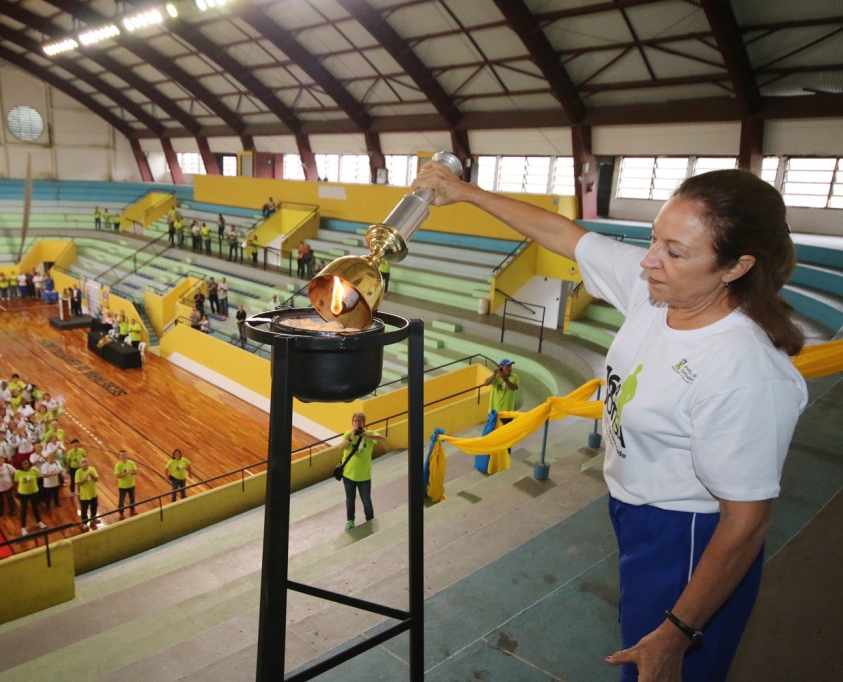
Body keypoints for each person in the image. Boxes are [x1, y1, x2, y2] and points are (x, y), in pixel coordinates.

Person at [413, 163, 807, 682]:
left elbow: (747, 521)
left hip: (689, 537)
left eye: (674, 251)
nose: (648, 261)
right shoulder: (658, 292)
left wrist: (677, 633)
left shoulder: (744, 370)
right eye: (653, 239)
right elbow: (563, 234)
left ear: (735, 267)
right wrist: (464, 193)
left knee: (655, 665)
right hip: (635, 514)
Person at [339, 412, 386, 531]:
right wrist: (351, 437)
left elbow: (383, 439)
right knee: (350, 499)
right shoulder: (348, 434)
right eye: (355, 421)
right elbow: (341, 447)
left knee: (366, 500)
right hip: (348, 475)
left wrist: (367, 436)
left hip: (364, 476)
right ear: (352, 423)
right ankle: (350, 521)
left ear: (364, 423)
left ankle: (370, 519)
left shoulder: (369, 434)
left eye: (360, 421)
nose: (357, 423)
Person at [484, 358, 519, 454]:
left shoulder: (514, 377)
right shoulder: (495, 377)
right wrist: (494, 374)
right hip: (494, 413)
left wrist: (505, 378)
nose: (510, 368)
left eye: (510, 366)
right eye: (507, 366)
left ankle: (505, 456)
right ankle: (492, 453)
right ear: (501, 367)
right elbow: (486, 383)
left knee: (507, 437)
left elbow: (513, 387)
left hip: (507, 414)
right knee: (492, 436)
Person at [14, 458, 46, 536]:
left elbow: (38, 478)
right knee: (23, 510)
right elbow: (16, 482)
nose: (26, 465)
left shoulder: (34, 470)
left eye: (27, 463)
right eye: (24, 464)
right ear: (21, 465)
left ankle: (39, 522)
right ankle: (23, 528)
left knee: (35, 508)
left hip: (34, 492)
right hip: (23, 493)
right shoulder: (18, 472)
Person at [75, 457, 100, 529]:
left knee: (94, 506)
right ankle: (85, 522)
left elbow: (96, 479)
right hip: (84, 495)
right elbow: (78, 483)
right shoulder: (78, 472)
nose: (85, 463)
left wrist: (92, 476)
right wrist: (86, 478)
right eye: (83, 462)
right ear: (80, 464)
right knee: (84, 509)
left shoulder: (92, 469)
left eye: (86, 461)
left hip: (93, 493)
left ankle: (93, 518)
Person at [114, 450, 138, 519]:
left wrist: (132, 473)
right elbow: (117, 475)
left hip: (131, 485)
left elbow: (135, 471)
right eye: (122, 455)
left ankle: (132, 509)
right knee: (121, 500)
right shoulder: (118, 465)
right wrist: (125, 474)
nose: (124, 456)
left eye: (125, 454)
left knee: (132, 498)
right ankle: (121, 513)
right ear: (120, 456)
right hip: (122, 486)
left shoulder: (131, 463)